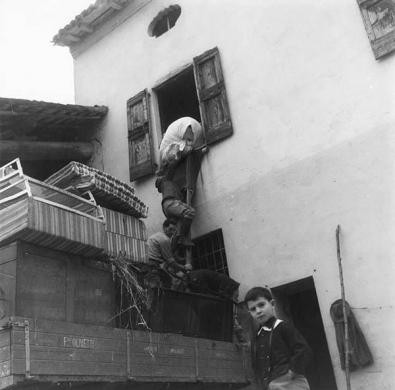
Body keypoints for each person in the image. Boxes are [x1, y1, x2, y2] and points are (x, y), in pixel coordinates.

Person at [244, 287, 312, 390]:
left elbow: (303, 350)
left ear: (272, 304)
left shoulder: (283, 327)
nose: (258, 311)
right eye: (253, 309)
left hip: (291, 384)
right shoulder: (256, 337)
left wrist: (289, 374)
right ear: (250, 313)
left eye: (261, 305)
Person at [156, 117, 207, 248]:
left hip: (170, 205)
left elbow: (172, 167)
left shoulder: (167, 182)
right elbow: (172, 164)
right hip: (171, 205)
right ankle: (181, 238)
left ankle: (178, 240)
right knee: (189, 212)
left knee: (184, 215)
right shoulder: (167, 181)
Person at [146, 219, 189, 288]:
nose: (172, 232)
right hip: (154, 266)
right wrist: (184, 267)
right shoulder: (165, 239)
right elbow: (171, 262)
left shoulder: (156, 236)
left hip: (149, 264)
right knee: (174, 283)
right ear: (164, 228)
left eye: (174, 230)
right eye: (170, 229)